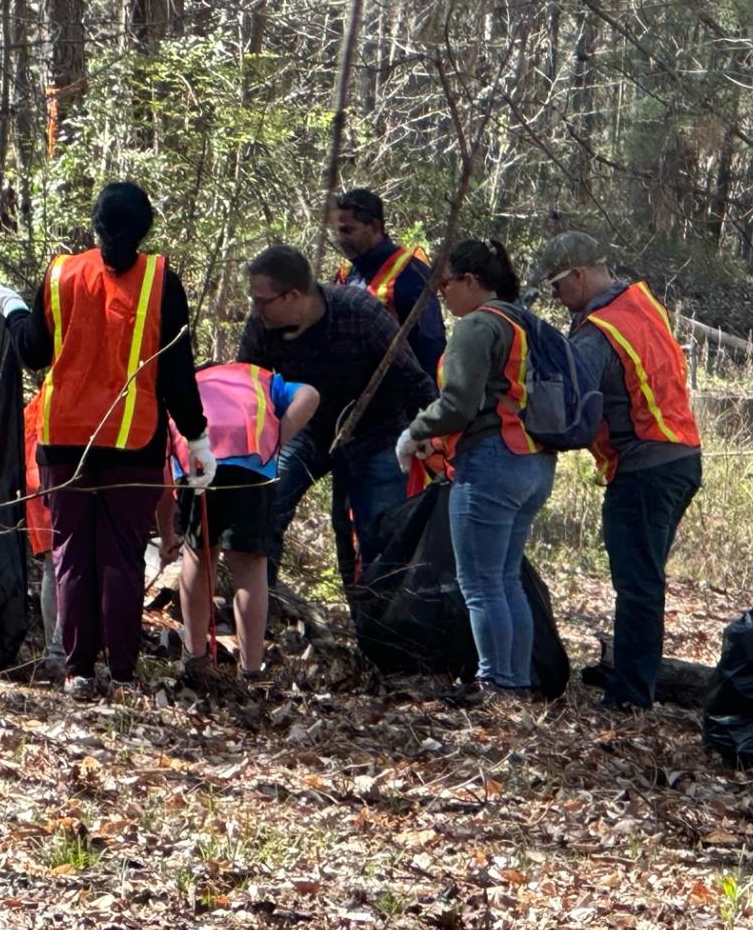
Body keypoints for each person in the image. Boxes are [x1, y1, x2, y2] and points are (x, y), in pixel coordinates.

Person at [0, 182, 216, 698]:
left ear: (94, 228)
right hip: (134, 443)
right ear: (146, 231)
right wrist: (197, 438)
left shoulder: (60, 274)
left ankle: (77, 672)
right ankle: (121, 673)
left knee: (71, 553)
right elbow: (177, 373)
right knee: (121, 555)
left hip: (63, 438)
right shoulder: (162, 280)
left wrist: (13, 310)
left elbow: (33, 353)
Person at [536, 232, 703, 711]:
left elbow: (572, 402)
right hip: (681, 455)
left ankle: (630, 696)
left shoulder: (598, 334)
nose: (556, 297)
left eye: (557, 286)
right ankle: (634, 683)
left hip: (644, 467)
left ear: (580, 276)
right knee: (643, 580)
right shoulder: (641, 303)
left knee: (638, 584)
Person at [395, 239, 557, 699]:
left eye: (445, 284)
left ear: (470, 281)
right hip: (535, 462)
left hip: (490, 460)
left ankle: (493, 682)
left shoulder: (476, 326)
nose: (442, 295)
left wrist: (415, 431)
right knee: (505, 578)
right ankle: (514, 683)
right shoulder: (524, 323)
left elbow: (458, 403)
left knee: (481, 582)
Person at [237, 244, 437, 600]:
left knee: (380, 536)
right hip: (304, 431)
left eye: (263, 300)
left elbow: (414, 381)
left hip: (376, 435)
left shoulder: (360, 313)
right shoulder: (261, 326)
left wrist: (433, 437)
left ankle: (382, 632)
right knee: (263, 508)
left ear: (294, 295)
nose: (256, 309)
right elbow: (245, 389)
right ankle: (257, 615)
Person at [158, 362, 318, 678]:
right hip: (252, 464)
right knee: (249, 564)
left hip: (198, 464)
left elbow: (163, 484)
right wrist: (276, 440)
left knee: (199, 556)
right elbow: (310, 395)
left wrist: (167, 539)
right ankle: (252, 668)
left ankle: (195, 658)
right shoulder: (260, 378)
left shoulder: (180, 387)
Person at [330, 188, 446, 375]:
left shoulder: (411, 272)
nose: (339, 238)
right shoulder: (346, 272)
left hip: (399, 390)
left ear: (374, 227)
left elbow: (430, 345)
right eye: (336, 231)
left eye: (347, 230)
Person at [22, 388, 65, 682]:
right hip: (58, 473)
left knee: (54, 562)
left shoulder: (40, 398)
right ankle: (60, 651)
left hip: (35, 480)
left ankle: (55, 652)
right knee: (69, 563)